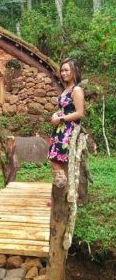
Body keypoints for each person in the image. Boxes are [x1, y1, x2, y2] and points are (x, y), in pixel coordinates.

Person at [48, 57, 84, 190]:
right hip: (60, 129)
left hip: (68, 129)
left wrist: (61, 119)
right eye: (62, 70)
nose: (63, 73)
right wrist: (55, 114)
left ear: (74, 71)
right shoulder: (66, 89)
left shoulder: (76, 90)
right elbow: (65, 109)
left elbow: (79, 113)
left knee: (58, 159)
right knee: (55, 158)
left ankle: (62, 192)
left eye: (66, 70)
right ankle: (62, 192)